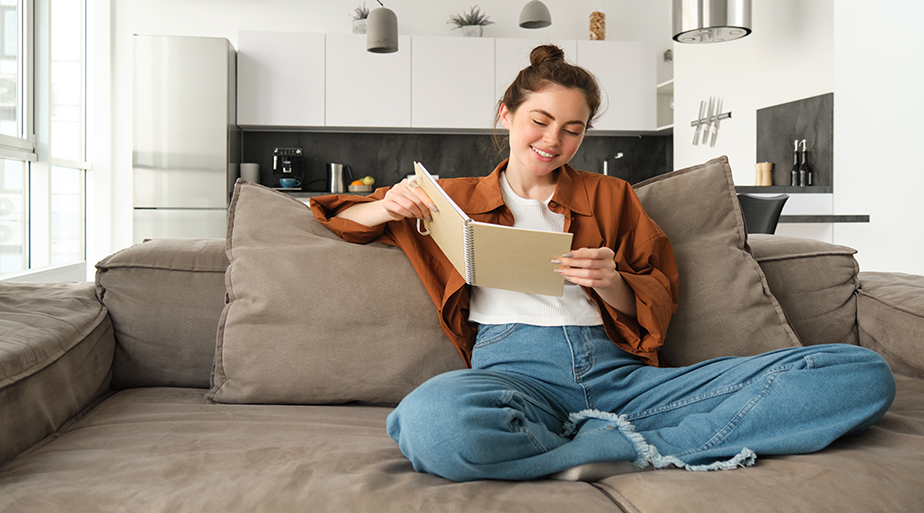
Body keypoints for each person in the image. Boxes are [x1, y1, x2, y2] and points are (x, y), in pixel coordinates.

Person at [309, 44, 896, 482]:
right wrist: (387, 204)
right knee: (434, 423)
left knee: (859, 375)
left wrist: (612, 282)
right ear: (507, 114)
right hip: (512, 374)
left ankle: (599, 448)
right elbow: (338, 216)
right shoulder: (452, 198)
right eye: (540, 121)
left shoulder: (611, 197)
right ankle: (630, 448)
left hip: (622, 376)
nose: (553, 140)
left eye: (573, 129)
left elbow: (657, 291)